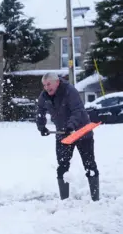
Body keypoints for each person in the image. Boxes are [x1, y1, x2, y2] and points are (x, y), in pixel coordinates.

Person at [36, 72, 100, 201]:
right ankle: (64, 200)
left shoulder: (70, 91)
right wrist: (41, 126)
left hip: (81, 132)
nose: (47, 88)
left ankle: (95, 199)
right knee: (62, 166)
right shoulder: (45, 95)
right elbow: (40, 110)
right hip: (63, 134)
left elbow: (77, 111)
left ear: (57, 82)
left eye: (49, 84)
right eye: (44, 85)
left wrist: (71, 126)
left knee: (89, 165)